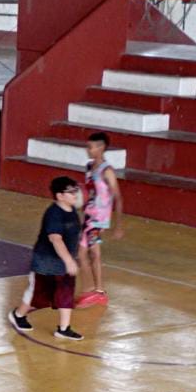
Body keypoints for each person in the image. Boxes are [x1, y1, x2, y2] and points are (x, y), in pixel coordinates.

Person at [8, 175, 83, 341]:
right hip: (45, 262)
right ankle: (19, 314)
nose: (75, 194)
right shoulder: (54, 214)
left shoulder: (73, 212)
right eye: (70, 191)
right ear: (60, 196)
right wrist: (69, 260)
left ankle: (64, 328)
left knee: (66, 293)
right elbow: (55, 238)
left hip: (63, 263)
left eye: (75, 190)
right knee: (38, 296)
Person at [76, 132, 124, 309]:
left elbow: (118, 197)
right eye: (87, 146)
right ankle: (99, 292)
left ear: (101, 147)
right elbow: (90, 193)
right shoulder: (89, 167)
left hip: (96, 220)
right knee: (94, 254)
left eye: (91, 147)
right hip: (89, 216)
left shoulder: (107, 171)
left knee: (82, 254)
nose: (88, 150)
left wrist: (118, 225)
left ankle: (90, 291)